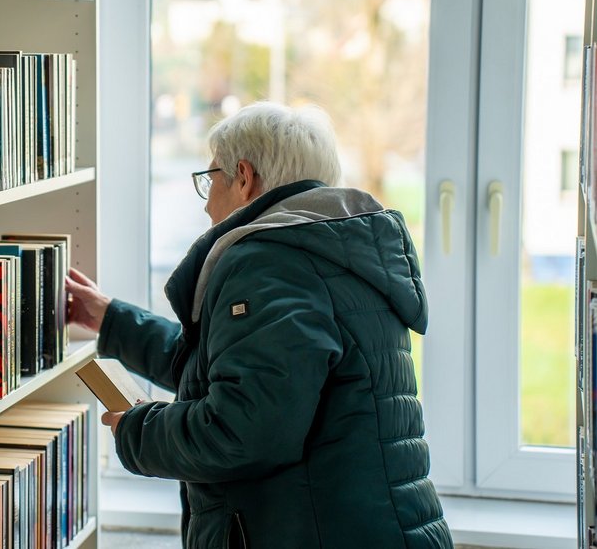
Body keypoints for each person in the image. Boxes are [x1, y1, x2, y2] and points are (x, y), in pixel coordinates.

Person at [65, 102, 453, 548]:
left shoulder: (271, 263)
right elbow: (236, 366)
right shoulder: (333, 248)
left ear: (244, 178)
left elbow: (242, 432)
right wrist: (111, 319)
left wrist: (137, 429)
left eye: (210, 179)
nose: (207, 202)